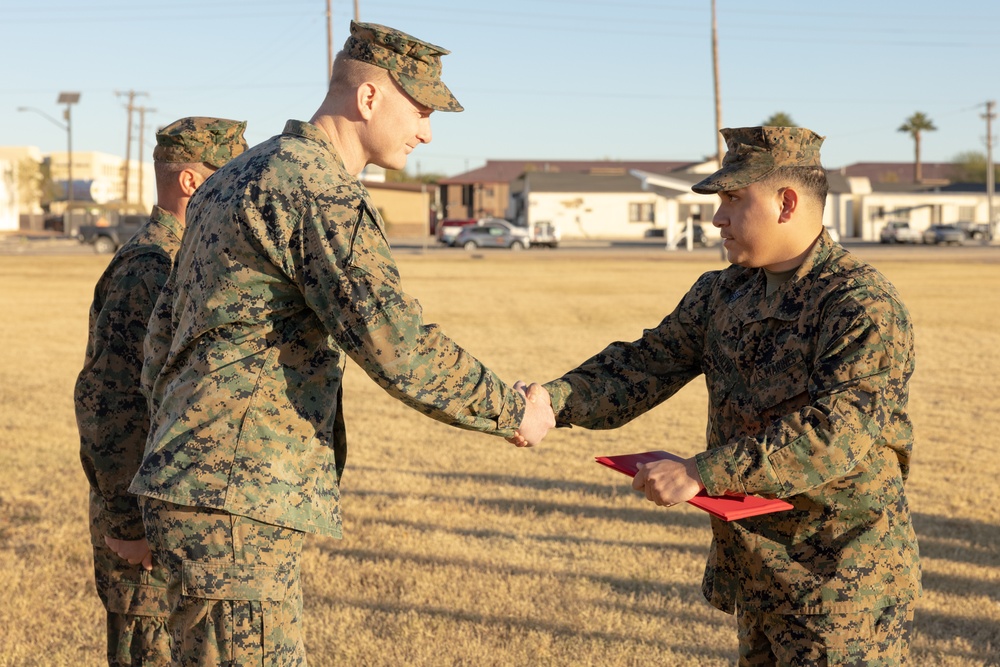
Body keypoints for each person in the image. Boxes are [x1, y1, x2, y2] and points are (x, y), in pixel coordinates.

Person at [129, 21, 555, 665]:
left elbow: (163, 334)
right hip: (239, 498)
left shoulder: (234, 176)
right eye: (421, 110)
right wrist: (511, 409)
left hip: (194, 486)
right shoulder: (317, 191)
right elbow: (394, 343)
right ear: (368, 99)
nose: (428, 131)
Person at [517, 126, 921, 665]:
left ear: (787, 202)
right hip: (758, 568)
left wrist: (703, 472)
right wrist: (553, 401)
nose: (717, 218)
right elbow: (645, 364)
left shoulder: (859, 303)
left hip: (842, 580)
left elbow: (836, 432)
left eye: (733, 199)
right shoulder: (724, 291)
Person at [75, 116, 248, 666]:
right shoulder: (150, 268)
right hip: (143, 537)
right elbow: (110, 405)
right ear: (192, 183)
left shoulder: (188, 258)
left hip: (173, 523)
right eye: (229, 177)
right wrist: (128, 526)